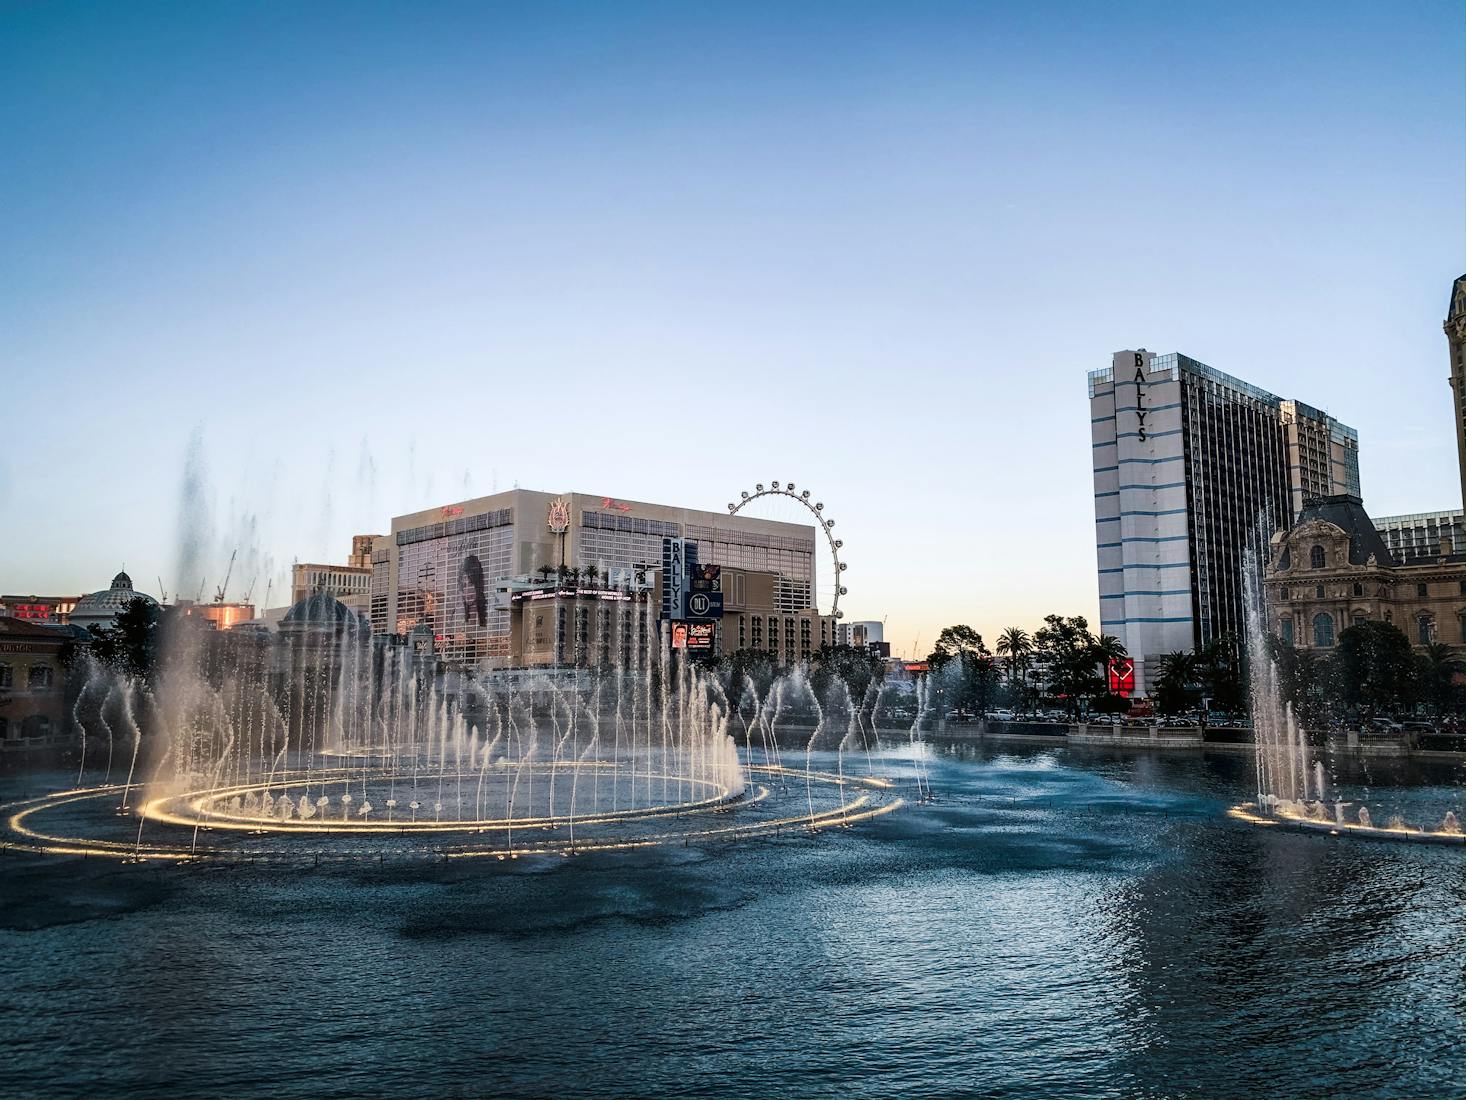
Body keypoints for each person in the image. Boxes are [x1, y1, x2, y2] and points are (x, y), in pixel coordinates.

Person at [459, 554, 487, 628]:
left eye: (471, 584)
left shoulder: (488, 612)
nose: (467, 590)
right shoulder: (459, 615)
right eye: (464, 585)